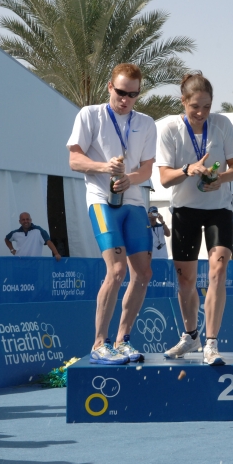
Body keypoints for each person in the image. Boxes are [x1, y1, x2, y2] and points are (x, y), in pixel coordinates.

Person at [67, 63, 156, 365]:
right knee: (117, 271)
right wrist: (105, 167)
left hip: (134, 202)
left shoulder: (146, 123)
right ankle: (99, 343)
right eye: (121, 92)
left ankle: (122, 340)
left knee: (143, 273)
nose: (126, 99)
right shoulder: (90, 115)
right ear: (109, 87)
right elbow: (74, 160)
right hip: (102, 200)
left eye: (133, 95)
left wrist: (131, 178)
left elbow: (147, 168)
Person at [156, 72, 233, 365]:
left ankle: (212, 343)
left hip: (219, 209)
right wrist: (188, 169)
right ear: (183, 101)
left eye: (207, 106)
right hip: (184, 210)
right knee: (186, 280)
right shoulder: (170, 129)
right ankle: (191, 335)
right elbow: (164, 178)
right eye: (195, 106)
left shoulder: (222, 124)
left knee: (218, 270)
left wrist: (220, 179)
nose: (201, 113)